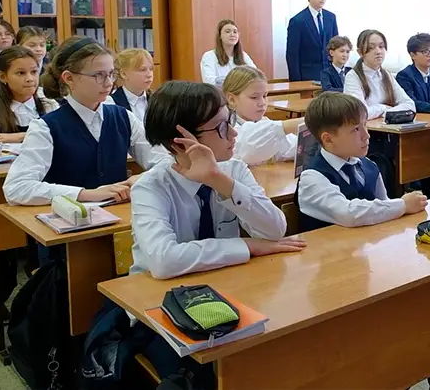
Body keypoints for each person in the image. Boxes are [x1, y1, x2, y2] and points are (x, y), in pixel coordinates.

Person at [128, 81, 303, 385]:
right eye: (221, 128)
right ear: (180, 143)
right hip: (162, 309)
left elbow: (275, 228)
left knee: (283, 348)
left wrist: (218, 180)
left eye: (230, 122)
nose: (233, 134)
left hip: (229, 292)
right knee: (205, 374)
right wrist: (246, 245)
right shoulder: (150, 187)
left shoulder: (233, 170)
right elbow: (164, 262)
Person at [2, 36, 167, 206]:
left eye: (111, 74)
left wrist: (143, 177)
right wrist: (85, 194)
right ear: (69, 78)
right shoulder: (46, 127)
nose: (109, 83)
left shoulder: (123, 117)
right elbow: (16, 188)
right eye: (98, 75)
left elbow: (164, 161)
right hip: (70, 218)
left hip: (120, 214)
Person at [296, 92, 427, 232]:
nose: (366, 135)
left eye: (365, 124)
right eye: (356, 129)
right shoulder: (311, 178)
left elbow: (384, 205)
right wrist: (403, 205)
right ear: (328, 139)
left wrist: (400, 206)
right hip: (330, 245)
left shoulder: (369, 166)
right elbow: (349, 214)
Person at [0, 46, 57, 151]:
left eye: (34, 72)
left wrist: (17, 137)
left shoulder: (48, 105)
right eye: (21, 73)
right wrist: (39, 138)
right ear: (2, 76)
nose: (30, 79)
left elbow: (60, 138)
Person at [222, 66, 299, 166]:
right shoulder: (226, 128)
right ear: (232, 99)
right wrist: (291, 125)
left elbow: (290, 146)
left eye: (264, 96)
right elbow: (248, 146)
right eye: (254, 97)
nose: (262, 103)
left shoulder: (264, 121)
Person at [343, 29, 416, 120]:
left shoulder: (386, 74)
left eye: (381, 46)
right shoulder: (353, 76)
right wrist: (383, 108)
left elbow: (410, 104)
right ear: (360, 52)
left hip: (387, 126)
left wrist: (387, 112)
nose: (378, 51)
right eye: (371, 48)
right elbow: (359, 112)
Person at [286, 0, 339, 81]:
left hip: (329, 75)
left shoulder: (331, 18)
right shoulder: (297, 21)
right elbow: (292, 55)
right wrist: (296, 81)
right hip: (307, 76)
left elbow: (336, 46)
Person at [200, 19, 255, 86]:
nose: (232, 34)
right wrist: (239, 81)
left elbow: (255, 76)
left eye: (235, 32)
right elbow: (209, 81)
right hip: (219, 92)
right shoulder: (209, 56)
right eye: (227, 31)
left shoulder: (243, 55)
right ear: (220, 36)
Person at [108, 49, 154, 122]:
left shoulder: (156, 100)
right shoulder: (111, 102)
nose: (149, 75)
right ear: (124, 74)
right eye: (142, 70)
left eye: (151, 69)